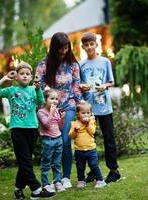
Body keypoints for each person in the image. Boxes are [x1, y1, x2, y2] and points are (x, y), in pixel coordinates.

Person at [0, 61, 55, 200]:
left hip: (32, 129)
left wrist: (37, 89)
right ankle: (36, 189)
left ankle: (18, 190)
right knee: (25, 161)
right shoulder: (11, 90)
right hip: (18, 129)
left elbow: (40, 102)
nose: (25, 76)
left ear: (31, 77)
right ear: (17, 77)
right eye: (22, 74)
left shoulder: (33, 89)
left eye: (27, 74)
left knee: (25, 161)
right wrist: (5, 79)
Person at [36, 32, 82, 188]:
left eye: (66, 48)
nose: (63, 51)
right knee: (53, 141)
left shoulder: (73, 64)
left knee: (65, 139)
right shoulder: (44, 64)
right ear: (54, 48)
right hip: (51, 108)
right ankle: (54, 178)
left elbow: (76, 86)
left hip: (68, 105)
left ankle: (66, 177)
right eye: (60, 48)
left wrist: (80, 104)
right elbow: (39, 83)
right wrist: (47, 92)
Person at [79, 32, 121, 184]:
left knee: (109, 139)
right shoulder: (81, 64)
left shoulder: (105, 62)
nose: (89, 47)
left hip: (104, 107)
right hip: (88, 109)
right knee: (89, 141)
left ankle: (114, 171)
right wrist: (82, 87)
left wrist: (104, 86)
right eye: (86, 45)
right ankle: (93, 171)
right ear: (83, 47)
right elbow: (80, 85)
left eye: (92, 44)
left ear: (96, 45)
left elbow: (111, 82)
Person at [69, 101, 106, 188]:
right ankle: (81, 180)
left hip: (91, 149)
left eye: (88, 113)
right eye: (83, 113)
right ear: (78, 114)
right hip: (79, 150)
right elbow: (71, 136)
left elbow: (92, 132)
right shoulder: (74, 124)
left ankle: (100, 180)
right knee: (80, 167)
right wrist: (74, 130)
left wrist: (87, 124)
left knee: (94, 165)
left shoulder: (91, 122)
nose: (86, 115)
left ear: (91, 113)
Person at [37, 89, 66, 193]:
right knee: (46, 163)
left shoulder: (56, 111)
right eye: (52, 98)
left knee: (57, 163)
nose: (55, 101)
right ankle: (45, 184)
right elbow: (47, 125)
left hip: (58, 139)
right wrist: (52, 113)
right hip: (48, 141)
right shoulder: (41, 112)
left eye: (56, 99)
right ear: (45, 100)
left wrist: (62, 118)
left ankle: (57, 182)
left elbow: (59, 126)